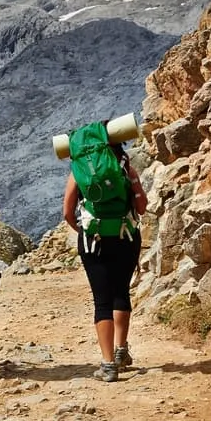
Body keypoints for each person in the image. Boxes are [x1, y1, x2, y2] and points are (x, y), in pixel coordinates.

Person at [63, 141, 147, 382]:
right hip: (126, 237)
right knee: (121, 291)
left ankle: (108, 364)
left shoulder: (79, 171)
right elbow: (141, 207)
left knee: (102, 301)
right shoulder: (126, 169)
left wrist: (82, 232)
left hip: (93, 241)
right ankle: (121, 350)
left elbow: (68, 212)